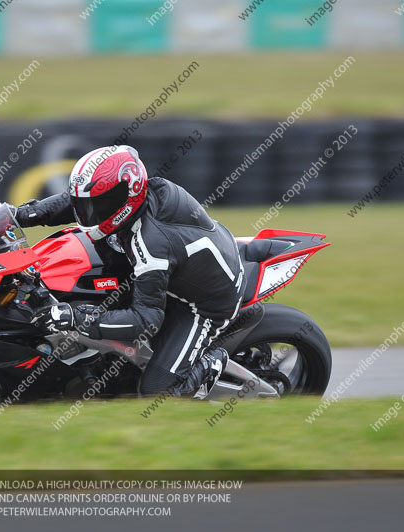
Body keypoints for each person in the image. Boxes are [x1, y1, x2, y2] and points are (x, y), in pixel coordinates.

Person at [16, 145, 244, 399]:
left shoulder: (152, 244)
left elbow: (146, 320)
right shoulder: (138, 195)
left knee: (158, 392)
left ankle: (212, 360)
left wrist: (74, 318)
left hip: (203, 304)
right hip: (182, 266)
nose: (87, 211)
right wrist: (21, 215)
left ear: (127, 195)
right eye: (86, 204)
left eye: (96, 204)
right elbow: (77, 202)